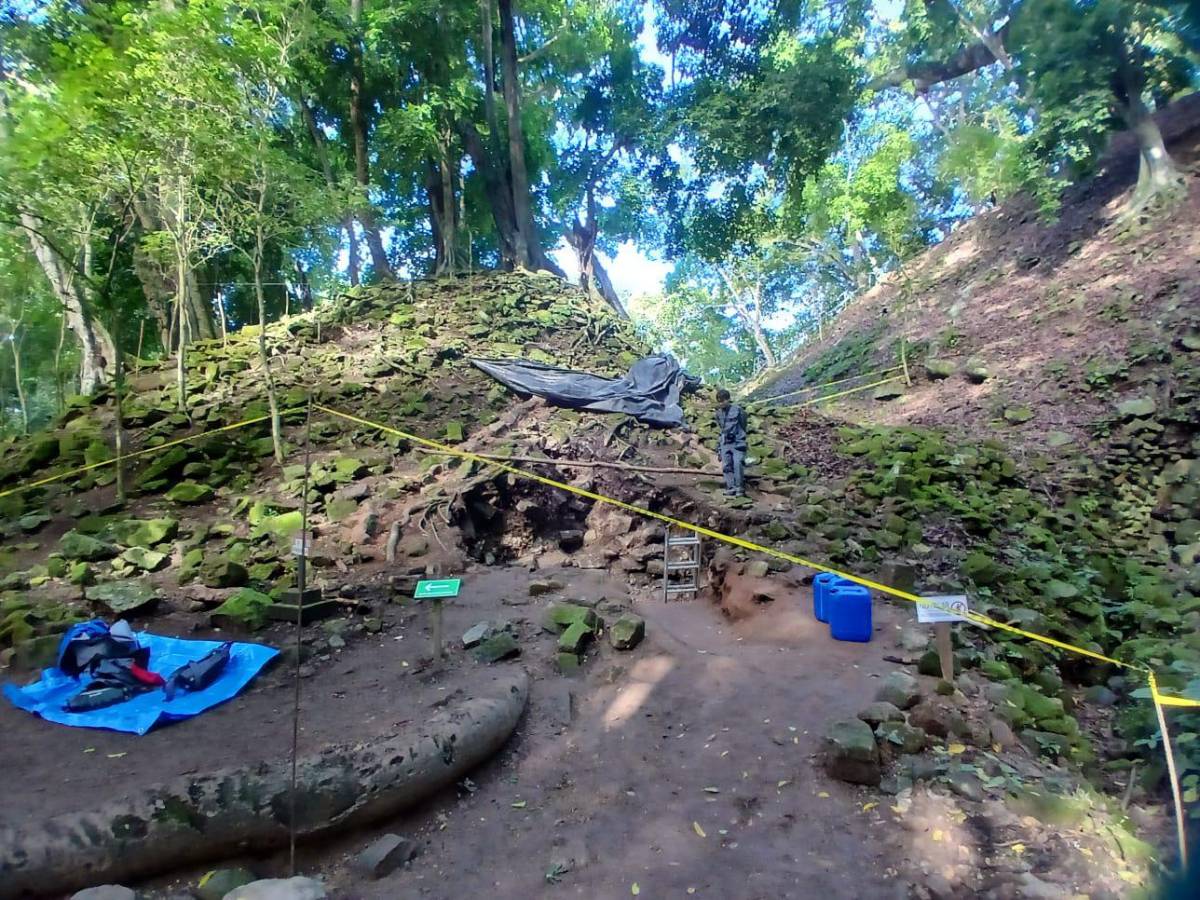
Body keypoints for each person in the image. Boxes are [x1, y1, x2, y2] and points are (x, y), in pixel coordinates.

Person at [714, 388, 747, 497]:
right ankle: (731, 488)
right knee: (726, 465)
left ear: (728, 399)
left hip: (737, 441)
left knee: (738, 464)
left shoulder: (738, 410)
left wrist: (740, 436)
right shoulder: (718, 413)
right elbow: (721, 428)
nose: (721, 403)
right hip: (725, 442)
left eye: (723, 400)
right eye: (719, 401)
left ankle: (739, 488)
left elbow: (743, 424)